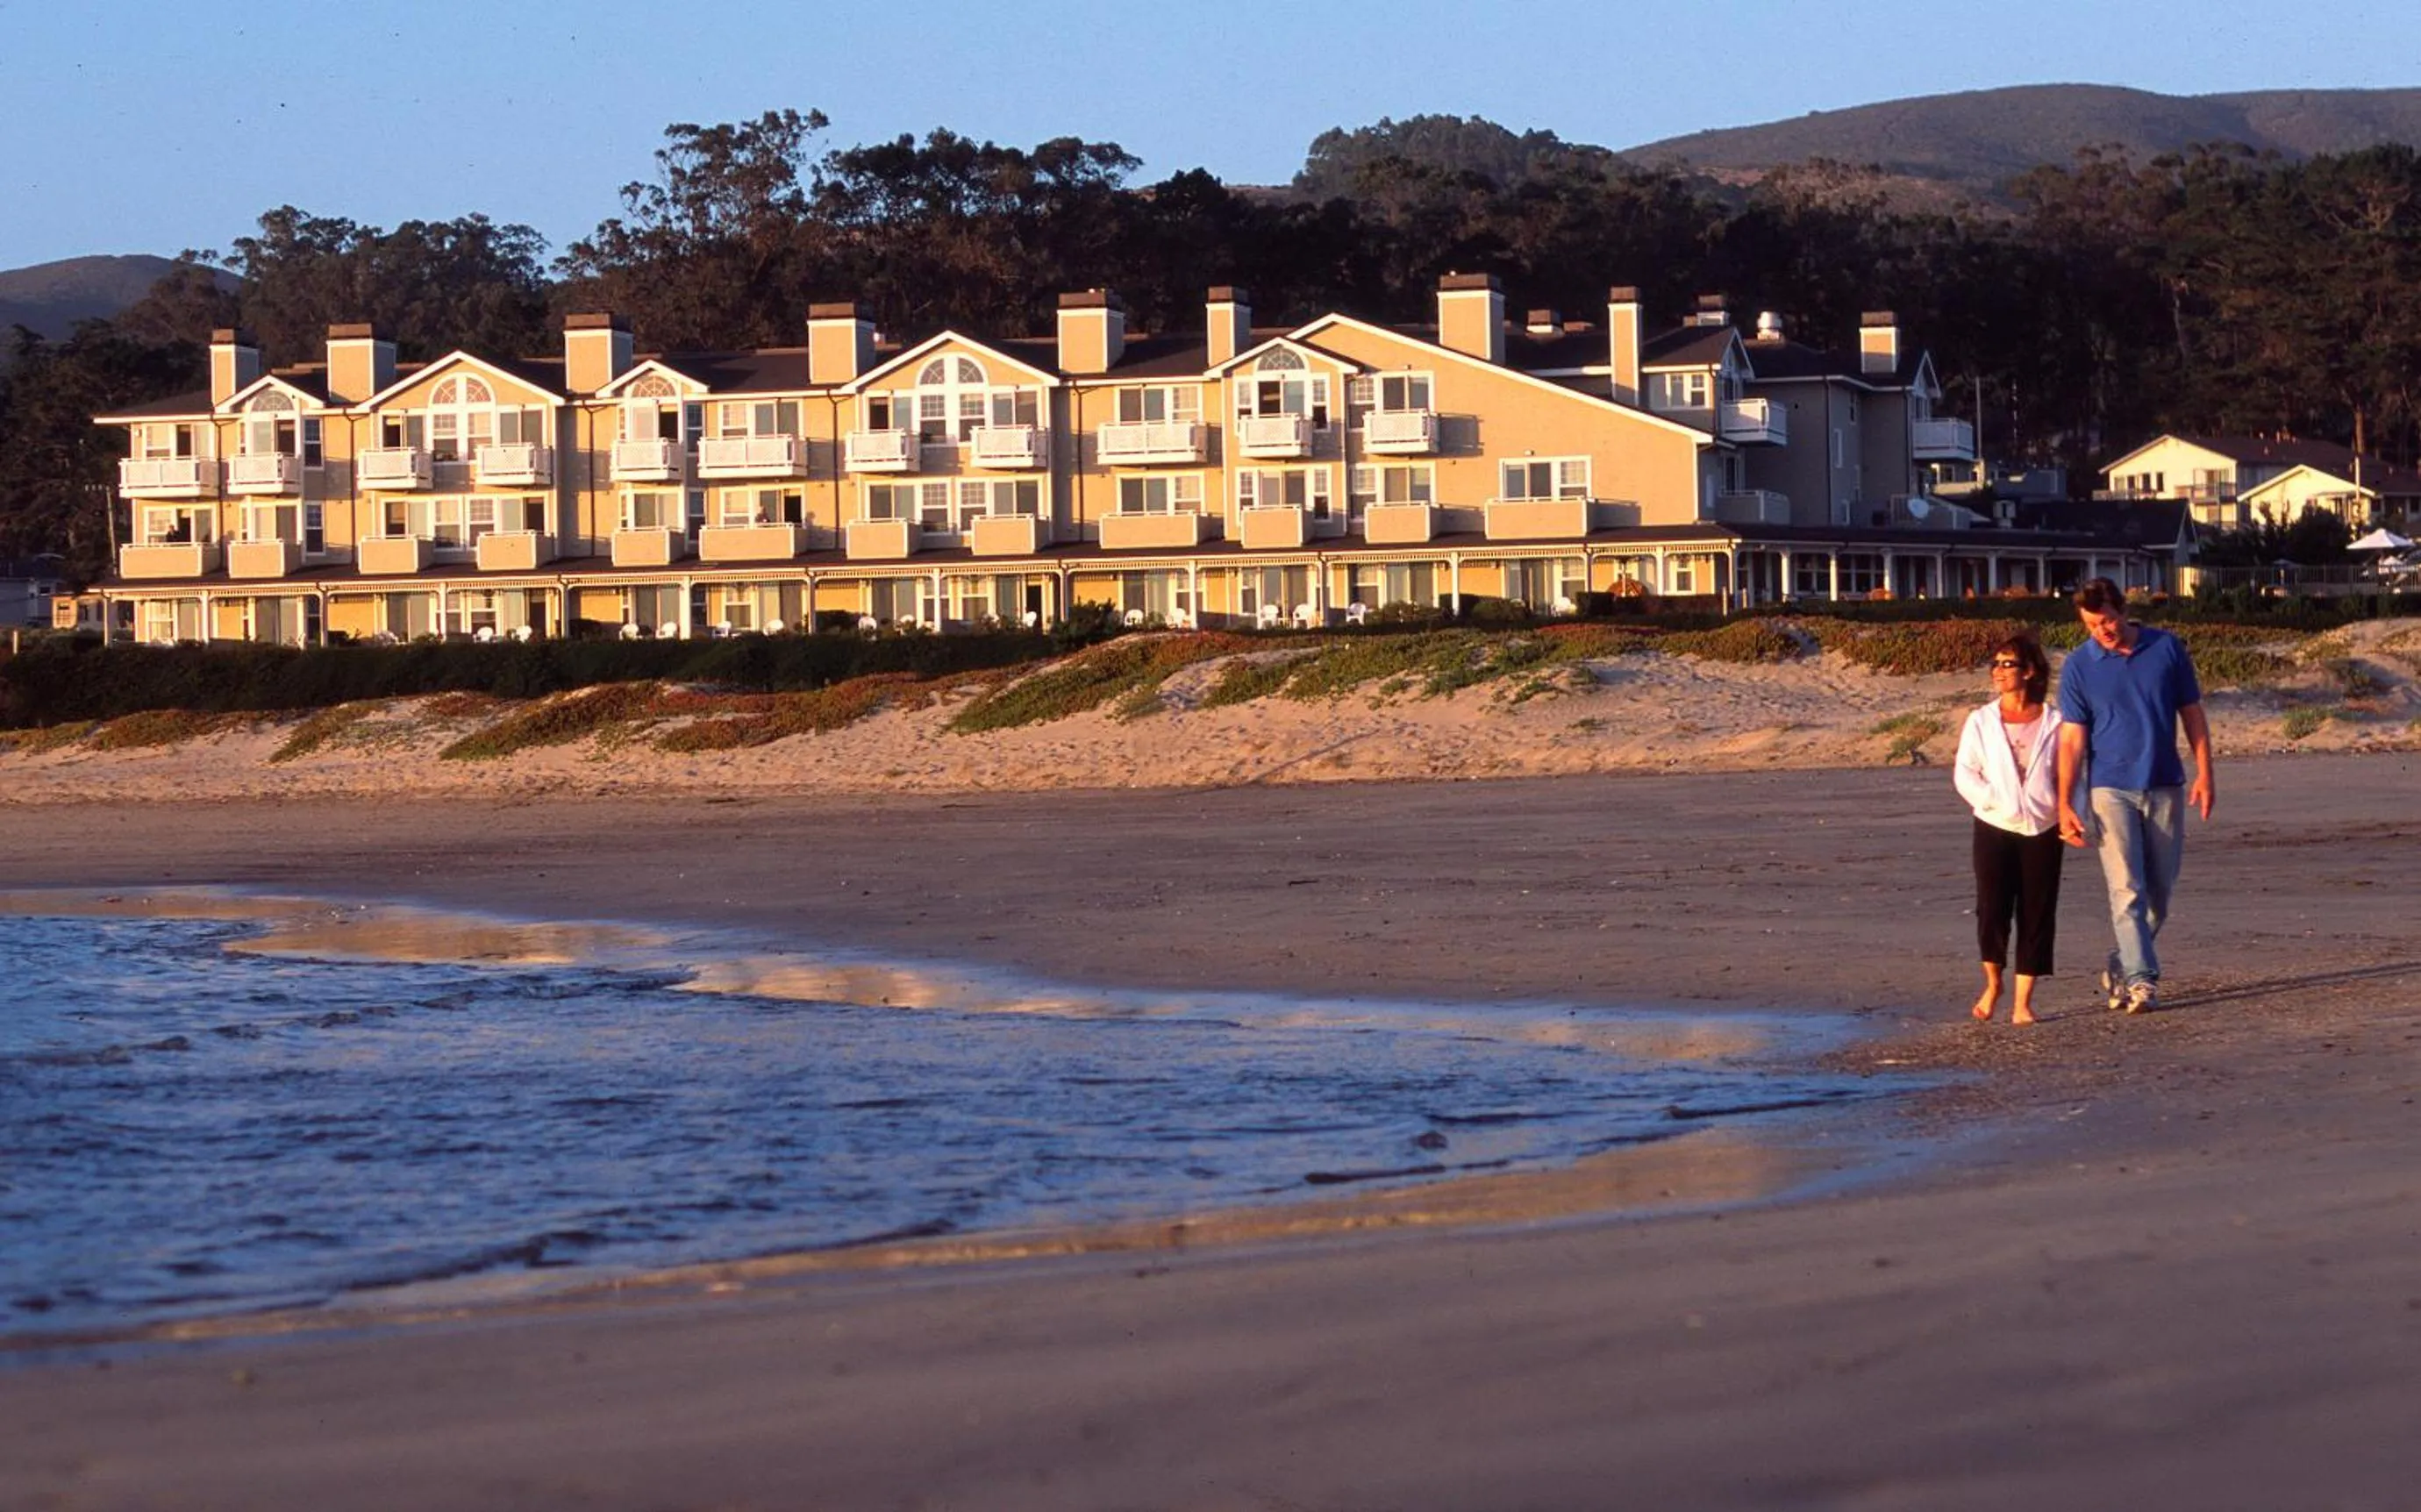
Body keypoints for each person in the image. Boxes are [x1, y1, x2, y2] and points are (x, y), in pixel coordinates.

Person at [2053, 578, 2217, 1014]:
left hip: (2165, 782)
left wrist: (2205, 773)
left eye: (2106, 619)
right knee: (2126, 889)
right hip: (2110, 788)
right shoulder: (2079, 666)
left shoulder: (2166, 649)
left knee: (2159, 894)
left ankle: (2123, 961)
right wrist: (2064, 802)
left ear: (2123, 610)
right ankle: (2144, 981)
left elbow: (2193, 715)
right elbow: (2071, 741)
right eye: (2091, 625)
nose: (2102, 631)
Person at [1953, 635, 2065, 1024]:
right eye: (1995, 663)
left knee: (2037, 912)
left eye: (2007, 664)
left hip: (2043, 826)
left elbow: (2072, 774)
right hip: (1994, 825)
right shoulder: (1981, 720)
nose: (1998, 671)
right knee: (1992, 908)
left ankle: (2023, 1003)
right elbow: (1964, 771)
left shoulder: (2055, 721)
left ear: (2029, 671)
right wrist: (1991, 800)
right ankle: (1993, 983)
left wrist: (2068, 811)